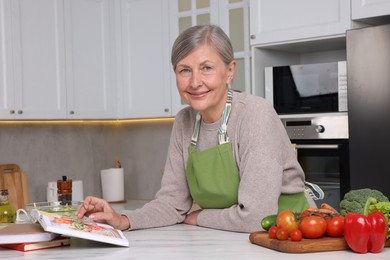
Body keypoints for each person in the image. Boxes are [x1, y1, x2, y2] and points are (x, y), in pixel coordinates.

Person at [76, 25, 316, 233]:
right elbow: (172, 204)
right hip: (229, 239)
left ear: (230, 71)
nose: (194, 82)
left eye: (207, 68)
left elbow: (255, 217)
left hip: (289, 236)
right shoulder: (184, 122)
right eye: (184, 70)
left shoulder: (255, 115)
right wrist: (123, 220)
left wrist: (198, 217)